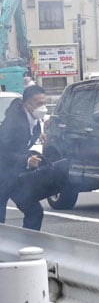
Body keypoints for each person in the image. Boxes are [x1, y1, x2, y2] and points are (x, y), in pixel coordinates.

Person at [0, 85, 49, 230]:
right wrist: (27, 160)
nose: (43, 107)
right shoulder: (14, 122)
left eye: (44, 103)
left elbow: (21, 146)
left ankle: (29, 246)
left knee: (34, 211)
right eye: (39, 104)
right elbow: (3, 151)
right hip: (2, 174)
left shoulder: (34, 122)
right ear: (27, 104)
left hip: (15, 174)